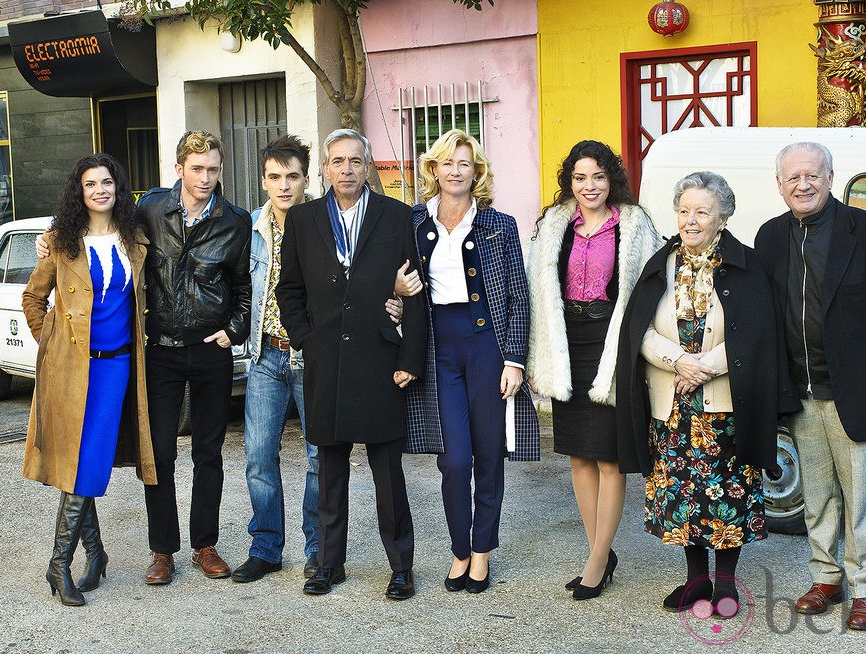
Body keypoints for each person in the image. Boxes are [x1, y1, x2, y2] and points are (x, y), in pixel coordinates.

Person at [617, 171, 798, 617]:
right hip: (673, 402)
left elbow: (756, 333)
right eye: (684, 210)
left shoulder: (746, 264)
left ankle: (727, 586)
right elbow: (636, 329)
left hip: (725, 403)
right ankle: (696, 582)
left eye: (702, 211)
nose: (690, 220)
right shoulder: (661, 262)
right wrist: (678, 361)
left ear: (724, 217)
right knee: (681, 495)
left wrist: (703, 368)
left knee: (729, 493)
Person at [754, 142, 866, 630]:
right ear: (779, 185)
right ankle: (826, 577)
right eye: (793, 178)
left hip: (858, 390)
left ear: (829, 177)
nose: (803, 185)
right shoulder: (769, 237)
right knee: (819, 493)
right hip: (800, 392)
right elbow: (761, 314)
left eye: (812, 175)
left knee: (862, 492)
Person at [276, 128, 427, 600]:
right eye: (337, 161)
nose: (346, 169)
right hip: (326, 363)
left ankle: (401, 567)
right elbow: (290, 290)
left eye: (355, 161)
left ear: (367, 167)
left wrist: (410, 357)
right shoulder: (301, 221)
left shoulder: (398, 216)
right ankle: (328, 563)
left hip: (381, 361)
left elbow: (417, 293)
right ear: (324, 168)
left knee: (388, 474)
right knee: (329, 471)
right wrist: (305, 340)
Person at [403, 129, 539, 595]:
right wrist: (397, 296)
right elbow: (399, 286)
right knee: (455, 460)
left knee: (488, 455)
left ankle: (480, 553)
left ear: (476, 171)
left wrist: (515, 360)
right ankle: (459, 549)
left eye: (465, 163)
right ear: (433, 171)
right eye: (447, 163)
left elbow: (519, 298)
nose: (456, 171)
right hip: (440, 350)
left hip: (487, 349)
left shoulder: (499, 225)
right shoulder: (415, 224)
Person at [526, 140, 661, 600]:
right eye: (580, 177)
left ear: (612, 180)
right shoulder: (553, 225)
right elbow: (537, 294)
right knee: (578, 455)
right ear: (570, 180)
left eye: (598, 177)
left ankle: (597, 560)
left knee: (608, 456)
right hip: (566, 344)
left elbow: (649, 293)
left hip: (612, 344)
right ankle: (598, 551)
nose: (589, 186)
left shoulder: (635, 225)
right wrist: (534, 356)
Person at [22, 153, 158, 606]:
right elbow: (33, 298)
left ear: (118, 188)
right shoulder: (61, 243)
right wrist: (53, 345)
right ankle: (61, 564)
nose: (99, 190)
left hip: (116, 366)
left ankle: (91, 555)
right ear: (79, 193)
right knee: (84, 461)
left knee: (90, 460)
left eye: (106, 182)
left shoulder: (135, 239)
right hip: (71, 369)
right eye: (90, 184)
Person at [137, 131, 251, 584]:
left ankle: (205, 543)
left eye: (214, 169)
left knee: (209, 452)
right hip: (160, 351)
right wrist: (54, 237)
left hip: (211, 352)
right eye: (197, 168)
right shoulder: (149, 209)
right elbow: (99, 227)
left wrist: (234, 330)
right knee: (160, 453)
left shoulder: (234, 222)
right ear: (179, 168)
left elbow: (245, 288)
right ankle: (162, 550)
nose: (206, 178)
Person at [231, 135, 321, 583]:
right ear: (263, 180)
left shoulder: (325, 224)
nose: (283, 185)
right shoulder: (250, 228)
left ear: (306, 178)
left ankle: (318, 549)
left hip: (312, 358)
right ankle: (266, 547)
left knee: (318, 457)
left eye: (292, 176)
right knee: (259, 456)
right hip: (266, 354)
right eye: (274, 177)